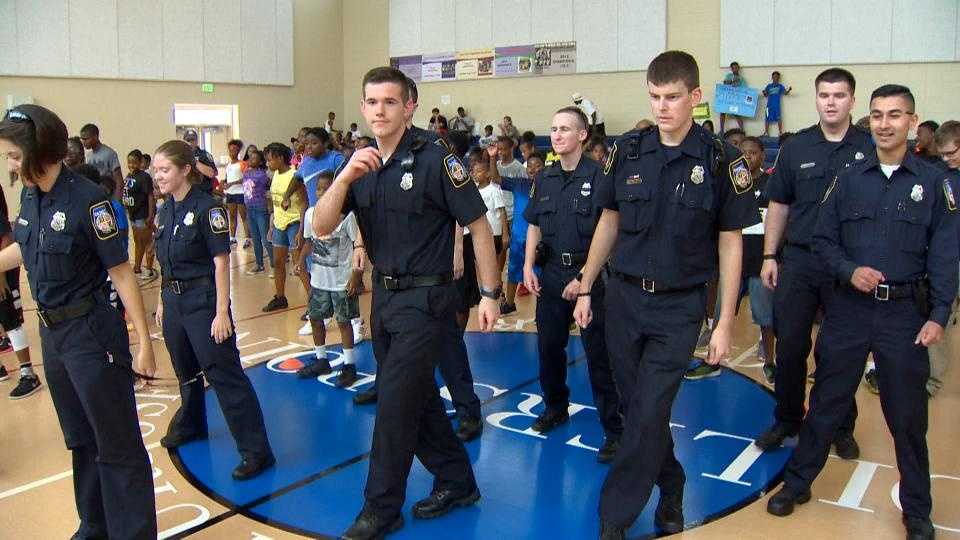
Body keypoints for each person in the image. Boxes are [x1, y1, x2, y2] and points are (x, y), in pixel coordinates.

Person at [572, 51, 759, 539]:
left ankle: (613, 518)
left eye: (672, 97)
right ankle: (672, 484)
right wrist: (588, 281)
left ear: (695, 98)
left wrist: (724, 322)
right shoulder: (627, 150)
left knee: (650, 409)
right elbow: (609, 219)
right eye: (654, 97)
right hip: (625, 301)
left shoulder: (721, 160)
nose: (662, 107)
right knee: (639, 412)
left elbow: (731, 242)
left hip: (680, 307)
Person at [312, 66, 500, 539]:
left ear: (409, 106)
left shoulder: (437, 159)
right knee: (417, 403)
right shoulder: (360, 164)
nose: (380, 110)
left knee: (395, 407)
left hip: (429, 298)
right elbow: (320, 225)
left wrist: (490, 295)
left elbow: (478, 224)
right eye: (372, 102)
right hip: (385, 298)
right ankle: (458, 482)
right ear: (362, 108)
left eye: (390, 102)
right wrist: (343, 178)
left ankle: (381, 507)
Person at [766, 84, 958, 540]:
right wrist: (849, 271)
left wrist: (938, 314)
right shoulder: (849, 177)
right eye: (877, 115)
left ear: (913, 123)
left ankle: (916, 511)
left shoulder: (935, 185)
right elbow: (823, 240)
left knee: (908, 419)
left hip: (904, 317)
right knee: (826, 404)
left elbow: (947, 255)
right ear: (867, 121)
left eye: (895, 115)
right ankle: (797, 484)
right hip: (850, 312)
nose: (885, 124)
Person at [0, 105, 157, 539]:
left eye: (14, 156)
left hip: (92, 334)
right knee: (81, 438)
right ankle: (96, 524)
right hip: (54, 337)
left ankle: (133, 532)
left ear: (37, 150)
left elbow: (122, 272)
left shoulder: (90, 201)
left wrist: (143, 342)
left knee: (117, 442)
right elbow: (27, 246)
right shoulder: (31, 196)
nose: (11, 166)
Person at [755, 67, 873, 459]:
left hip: (847, 265)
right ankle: (788, 418)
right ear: (817, 98)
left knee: (839, 351)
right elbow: (779, 205)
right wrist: (770, 255)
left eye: (839, 95)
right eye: (824, 95)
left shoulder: (869, 147)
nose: (831, 102)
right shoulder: (798, 147)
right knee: (790, 346)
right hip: (800, 262)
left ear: (852, 101)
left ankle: (840, 425)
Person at [152, 139, 275, 480]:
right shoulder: (166, 209)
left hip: (203, 302)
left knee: (224, 376)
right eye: (156, 170)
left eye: (165, 170)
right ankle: (192, 424)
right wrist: (163, 301)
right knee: (186, 371)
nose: (158, 176)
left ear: (185, 170)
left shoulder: (209, 209)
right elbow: (165, 261)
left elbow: (221, 263)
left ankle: (256, 451)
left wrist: (223, 312)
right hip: (175, 301)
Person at [523, 107, 623, 463]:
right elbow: (534, 223)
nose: (557, 134)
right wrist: (527, 266)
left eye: (565, 128)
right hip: (550, 274)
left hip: (590, 279)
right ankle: (555, 406)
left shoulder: (600, 178)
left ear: (582, 135)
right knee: (549, 347)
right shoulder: (545, 178)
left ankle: (614, 428)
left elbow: (609, 235)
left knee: (600, 355)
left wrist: (583, 277)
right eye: (553, 128)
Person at [295, 172, 362, 387]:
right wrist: (300, 260)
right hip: (319, 280)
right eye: (319, 189)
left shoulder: (347, 217)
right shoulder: (311, 214)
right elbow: (309, 242)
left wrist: (356, 275)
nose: (323, 192)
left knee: (344, 322)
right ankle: (321, 359)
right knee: (315, 318)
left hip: (341, 280)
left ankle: (349, 364)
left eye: (327, 188)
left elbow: (358, 245)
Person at [925, 120, 960, 398]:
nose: (947, 159)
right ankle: (929, 380)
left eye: (952, 153)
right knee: (938, 314)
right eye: (943, 154)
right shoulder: (937, 174)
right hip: (941, 256)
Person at [0, 182, 41, 399]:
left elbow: (6, 235)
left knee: (9, 318)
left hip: (3, 265)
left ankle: (28, 373)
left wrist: (1, 275)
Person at [492, 152, 542, 314]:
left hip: (540, 240)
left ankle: (541, 310)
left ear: (544, 167)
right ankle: (510, 303)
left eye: (537, 166)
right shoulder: (519, 184)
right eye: (530, 166)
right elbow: (495, 178)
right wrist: (493, 158)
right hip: (518, 238)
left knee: (540, 274)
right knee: (513, 271)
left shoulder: (550, 186)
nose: (533, 169)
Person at [262, 142, 306, 312]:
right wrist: (272, 225)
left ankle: (313, 304)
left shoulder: (295, 175)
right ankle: (280, 297)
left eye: (270, 160)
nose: (268, 164)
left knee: (299, 264)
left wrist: (301, 229)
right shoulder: (275, 176)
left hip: (294, 223)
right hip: (279, 225)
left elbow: (303, 203)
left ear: (280, 158)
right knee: (278, 262)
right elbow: (275, 204)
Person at [123, 149, 156, 279]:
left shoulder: (144, 177)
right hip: (133, 215)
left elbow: (150, 197)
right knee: (138, 242)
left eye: (134, 162)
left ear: (140, 162)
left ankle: (149, 269)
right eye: (129, 162)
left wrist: (150, 215)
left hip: (143, 215)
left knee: (147, 242)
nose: (131, 165)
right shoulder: (129, 176)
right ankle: (137, 267)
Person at [242, 149, 274, 274]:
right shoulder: (246, 173)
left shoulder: (263, 174)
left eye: (254, 158)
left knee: (265, 238)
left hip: (261, 208)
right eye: (250, 158)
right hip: (249, 208)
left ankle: (273, 264)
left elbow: (269, 185)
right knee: (255, 238)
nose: (251, 160)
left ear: (260, 161)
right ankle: (259, 264)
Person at [78, 123, 123, 195]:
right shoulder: (88, 156)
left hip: (108, 194)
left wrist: (116, 201)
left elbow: (119, 180)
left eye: (86, 139)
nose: (83, 142)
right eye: (82, 139)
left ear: (95, 137)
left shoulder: (109, 153)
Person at [223, 139, 251, 247]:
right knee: (232, 216)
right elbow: (227, 178)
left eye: (234, 150)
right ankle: (232, 237)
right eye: (230, 150)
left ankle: (248, 238)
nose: (232, 152)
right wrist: (224, 183)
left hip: (240, 192)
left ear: (238, 151)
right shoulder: (228, 165)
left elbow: (246, 178)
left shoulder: (242, 164)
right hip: (230, 193)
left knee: (243, 216)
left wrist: (233, 183)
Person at [182, 129, 219, 194]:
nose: (190, 143)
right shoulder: (180, 156)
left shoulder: (204, 155)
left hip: (203, 193)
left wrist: (195, 161)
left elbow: (213, 173)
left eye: (192, 140)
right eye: (188, 140)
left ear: (196, 141)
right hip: (187, 194)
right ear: (184, 141)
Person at [719, 61, 747, 133]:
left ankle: (742, 131)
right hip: (728, 98)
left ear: (738, 68)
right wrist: (732, 82)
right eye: (733, 68)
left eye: (736, 68)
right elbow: (725, 83)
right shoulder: (729, 76)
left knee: (737, 114)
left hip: (736, 99)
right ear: (731, 69)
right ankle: (721, 130)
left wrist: (736, 83)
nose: (735, 69)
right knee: (722, 112)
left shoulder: (742, 78)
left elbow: (744, 89)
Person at [763, 71, 793, 137]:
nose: (775, 78)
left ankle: (780, 132)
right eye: (774, 77)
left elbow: (785, 93)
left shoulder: (780, 86)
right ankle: (766, 132)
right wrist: (764, 93)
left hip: (776, 106)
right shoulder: (769, 86)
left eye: (776, 77)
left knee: (779, 118)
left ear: (778, 78)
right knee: (767, 118)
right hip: (769, 106)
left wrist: (789, 90)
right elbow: (766, 95)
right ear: (772, 77)